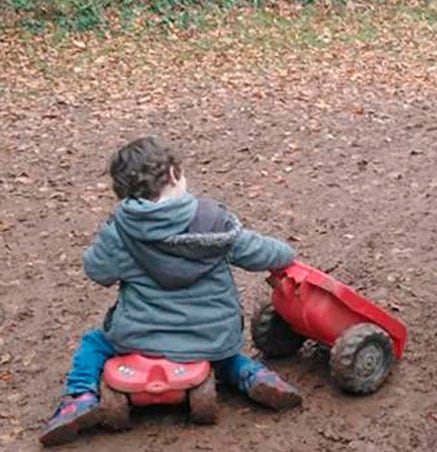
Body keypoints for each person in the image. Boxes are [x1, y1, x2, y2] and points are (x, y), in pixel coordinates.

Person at [39, 136, 301, 446]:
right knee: (226, 354)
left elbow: (97, 271)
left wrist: (109, 234)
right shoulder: (212, 221)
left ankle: (80, 397)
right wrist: (285, 253)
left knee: (94, 344)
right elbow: (258, 251)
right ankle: (250, 375)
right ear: (174, 175)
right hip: (210, 334)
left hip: (140, 336)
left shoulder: (121, 231)